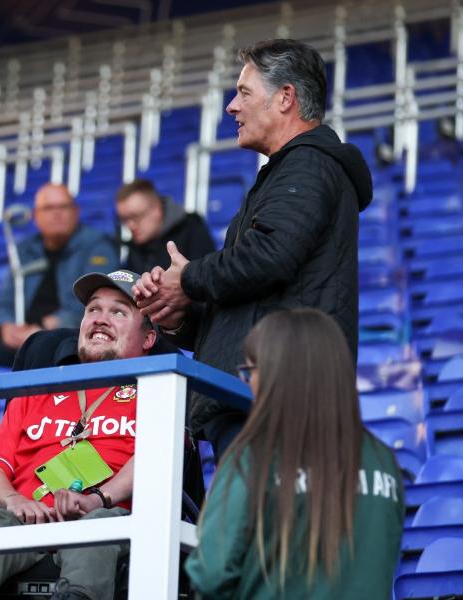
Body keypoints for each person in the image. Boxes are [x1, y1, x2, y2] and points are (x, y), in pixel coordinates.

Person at [133, 39, 373, 458]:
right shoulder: (290, 171)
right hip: (260, 389)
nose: (231, 106)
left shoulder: (309, 165)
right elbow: (254, 302)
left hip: (279, 390)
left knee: (266, 521)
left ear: (285, 98)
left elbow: (269, 256)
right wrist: (178, 313)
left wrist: (187, 279)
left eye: (244, 92)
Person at [0, 269, 156, 600]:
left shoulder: (157, 392)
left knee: (98, 528)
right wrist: (15, 500)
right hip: (25, 523)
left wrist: (96, 499)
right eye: (93, 309)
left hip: (104, 519)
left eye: (119, 311)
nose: (100, 319)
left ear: (148, 339)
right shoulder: (36, 391)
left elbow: (155, 460)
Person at [185, 308, 404, 598]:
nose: (248, 383)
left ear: (279, 374)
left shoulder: (253, 456)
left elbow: (211, 574)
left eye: (251, 371)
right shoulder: (384, 460)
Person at [0, 183, 118, 376]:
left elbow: (97, 301)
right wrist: (6, 326)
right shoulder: (26, 250)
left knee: (54, 343)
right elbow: (6, 302)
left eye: (63, 207)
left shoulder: (98, 246)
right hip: (24, 337)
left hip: (67, 336)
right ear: (36, 216)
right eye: (49, 208)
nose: (57, 214)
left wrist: (45, 327)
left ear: (76, 211)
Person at [114, 178, 216, 275]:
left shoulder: (192, 230)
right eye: (124, 219)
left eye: (136, 216)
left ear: (156, 210)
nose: (130, 225)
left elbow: (207, 279)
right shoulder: (135, 245)